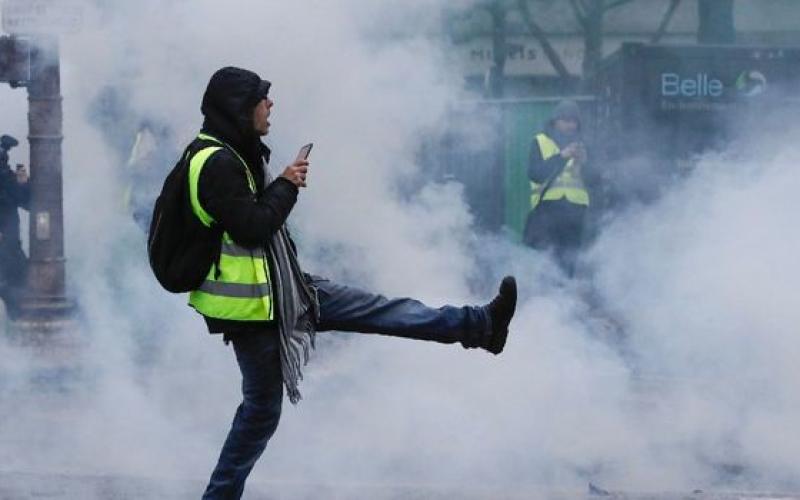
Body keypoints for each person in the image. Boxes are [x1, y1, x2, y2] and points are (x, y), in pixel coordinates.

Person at [180, 67, 518, 500]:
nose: (271, 105)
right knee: (261, 413)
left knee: (378, 309)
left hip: (284, 292)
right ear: (240, 109)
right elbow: (252, 226)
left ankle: (480, 326)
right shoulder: (217, 162)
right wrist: (287, 183)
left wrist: (280, 182)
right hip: (256, 311)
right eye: (264, 99)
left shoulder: (232, 152)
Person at [523, 100, 591, 275]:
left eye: (573, 121)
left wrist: (584, 164)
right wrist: (562, 157)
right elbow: (536, 174)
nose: (570, 125)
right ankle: (545, 299)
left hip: (575, 213)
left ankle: (564, 299)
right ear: (555, 121)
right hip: (547, 211)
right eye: (565, 120)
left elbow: (597, 181)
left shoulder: (585, 144)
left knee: (569, 264)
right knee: (546, 261)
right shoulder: (540, 141)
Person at [0, 135, 30, 318]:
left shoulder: (6, 176)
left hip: (10, 244)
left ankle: (19, 326)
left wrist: (24, 183)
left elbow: (28, 203)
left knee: (20, 278)